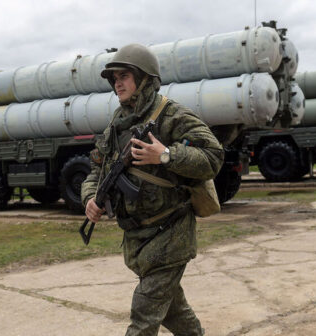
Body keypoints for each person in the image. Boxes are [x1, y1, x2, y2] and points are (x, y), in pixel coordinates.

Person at [81, 43, 224, 336]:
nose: (117, 83)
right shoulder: (117, 125)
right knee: (175, 313)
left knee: (144, 314)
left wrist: (166, 155)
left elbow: (213, 156)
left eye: (124, 75)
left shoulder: (171, 115)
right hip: (138, 237)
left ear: (144, 79)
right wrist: (90, 198)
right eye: (114, 78)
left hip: (171, 234)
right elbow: (97, 168)